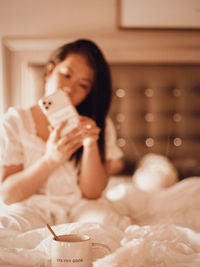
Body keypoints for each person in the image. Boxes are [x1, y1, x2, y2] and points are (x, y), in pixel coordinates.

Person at [0, 39, 124, 231]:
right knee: (8, 227)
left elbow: (92, 193)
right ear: (50, 71)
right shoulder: (15, 122)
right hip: (28, 207)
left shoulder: (97, 125)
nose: (69, 88)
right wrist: (50, 160)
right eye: (66, 75)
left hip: (79, 207)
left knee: (105, 225)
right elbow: (8, 195)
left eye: (83, 85)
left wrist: (90, 144)